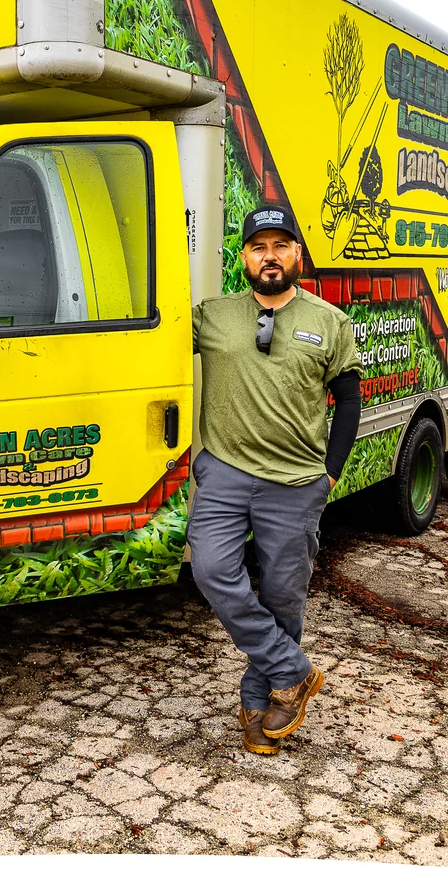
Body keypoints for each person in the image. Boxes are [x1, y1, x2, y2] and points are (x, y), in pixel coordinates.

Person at [189, 205, 362, 755]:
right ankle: (294, 669)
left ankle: (258, 705)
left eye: (281, 246)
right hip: (224, 472)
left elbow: (350, 400)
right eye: (259, 247)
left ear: (297, 255)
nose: (270, 256)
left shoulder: (329, 321)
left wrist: (330, 473)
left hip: (295, 482)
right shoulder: (212, 315)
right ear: (244, 257)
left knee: (284, 598)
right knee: (213, 570)